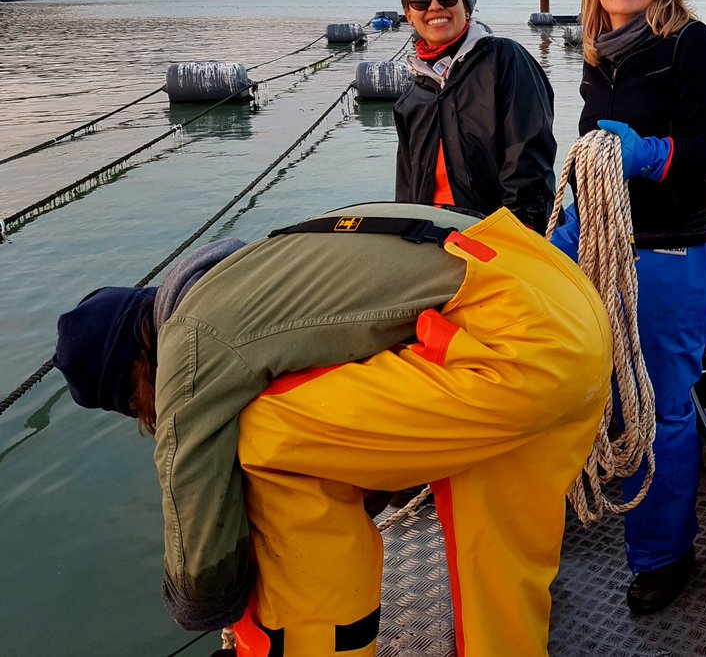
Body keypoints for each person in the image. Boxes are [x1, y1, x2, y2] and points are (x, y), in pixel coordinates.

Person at [52, 202, 613, 657]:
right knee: (499, 562)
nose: (147, 417)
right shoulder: (267, 266)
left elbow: (195, 515)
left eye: (133, 403)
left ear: (136, 366)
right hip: (567, 318)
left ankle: (316, 645)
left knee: (260, 436)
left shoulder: (189, 343)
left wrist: (203, 607)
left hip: (510, 353)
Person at [552, 0, 706, 614]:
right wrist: (568, 223)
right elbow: (589, 156)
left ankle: (665, 555)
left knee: (658, 411)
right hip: (602, 248)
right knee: (592, 395)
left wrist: (651, 153)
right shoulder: (602, 56)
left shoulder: (693, 47)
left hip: (671, 256)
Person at [394, 0, 557, 230]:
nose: (434, 6)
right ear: (409, 15)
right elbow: (407, 184)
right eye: (420, 0)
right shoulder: (413, 95)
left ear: (466, 6)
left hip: (496, 239)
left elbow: (528, 160)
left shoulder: (505, 59)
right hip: (432, 240)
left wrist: (518, 234)